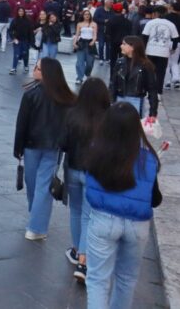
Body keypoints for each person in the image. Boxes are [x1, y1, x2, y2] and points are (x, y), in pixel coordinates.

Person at [84, 103, 163, 309]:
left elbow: (89, 186)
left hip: (103, 219)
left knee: (98, 280)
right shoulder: (149, 159)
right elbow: (155, 199)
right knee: (126, 280)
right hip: (137, 225)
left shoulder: (96, 151)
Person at [13, 57, 75, 240]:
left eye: (38, 68)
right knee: (42, 185)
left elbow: (21, 125)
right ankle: (37, 224)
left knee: (35, 185)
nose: (35, 70)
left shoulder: (31, 95)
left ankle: (36, 223)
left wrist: (18, 148)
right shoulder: (67, 97)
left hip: (32, 145)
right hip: (54, 147)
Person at [61, 78, 111, 283]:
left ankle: (77, 250)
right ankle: (84, 259)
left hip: (73, 167)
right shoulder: (107, 118)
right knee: (89, 216)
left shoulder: (72, 114)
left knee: (75, 210)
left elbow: (63, 143)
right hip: (93, 171)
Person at [112, 36, 158, 119]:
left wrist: (153, 113)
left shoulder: (145, 65)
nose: (121, 46)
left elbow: (152, 89)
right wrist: (111, 102)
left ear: (132, 47)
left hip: (136, 100)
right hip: (119, 99)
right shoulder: (120, 62)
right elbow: (113, 84)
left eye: (124, 44)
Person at [141, 5, 178, 93]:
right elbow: (175, 38)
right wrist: (173, 48)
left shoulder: (150, 23)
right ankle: (158, 90)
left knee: (149, 71)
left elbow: (144, 37)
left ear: (155, 13)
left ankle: (147, 89)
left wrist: (143, 49)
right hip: (163, 52)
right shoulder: (170, 24)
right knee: (161, 72)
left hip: (150, 51)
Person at [72, 9, 98, 84]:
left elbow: (95, 35)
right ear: (83, 16)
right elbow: (77, 35)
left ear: (90, 16)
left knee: (90, 63)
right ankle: (79, 77)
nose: (87, 16)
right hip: (81, 43)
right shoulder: (79, 24)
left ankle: (87, 73)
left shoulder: (94, 24)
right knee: (80, 62)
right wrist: (74, 43)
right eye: (85, 14)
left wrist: (93, 41)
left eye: (88, 14)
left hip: (90, 44)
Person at [9, 6, 35, 75]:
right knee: (16, 54)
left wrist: (31, 41)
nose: (21, 12)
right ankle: (14, 68)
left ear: (24, 12)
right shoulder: (14, 20)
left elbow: (30, 32)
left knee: (25, 54)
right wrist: (13, 38)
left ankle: (26, 65)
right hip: (17, 40)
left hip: (25, 40)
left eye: (22, 11)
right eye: (19, 11)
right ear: (17, 12)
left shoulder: (28, 20)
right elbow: (10, 30)